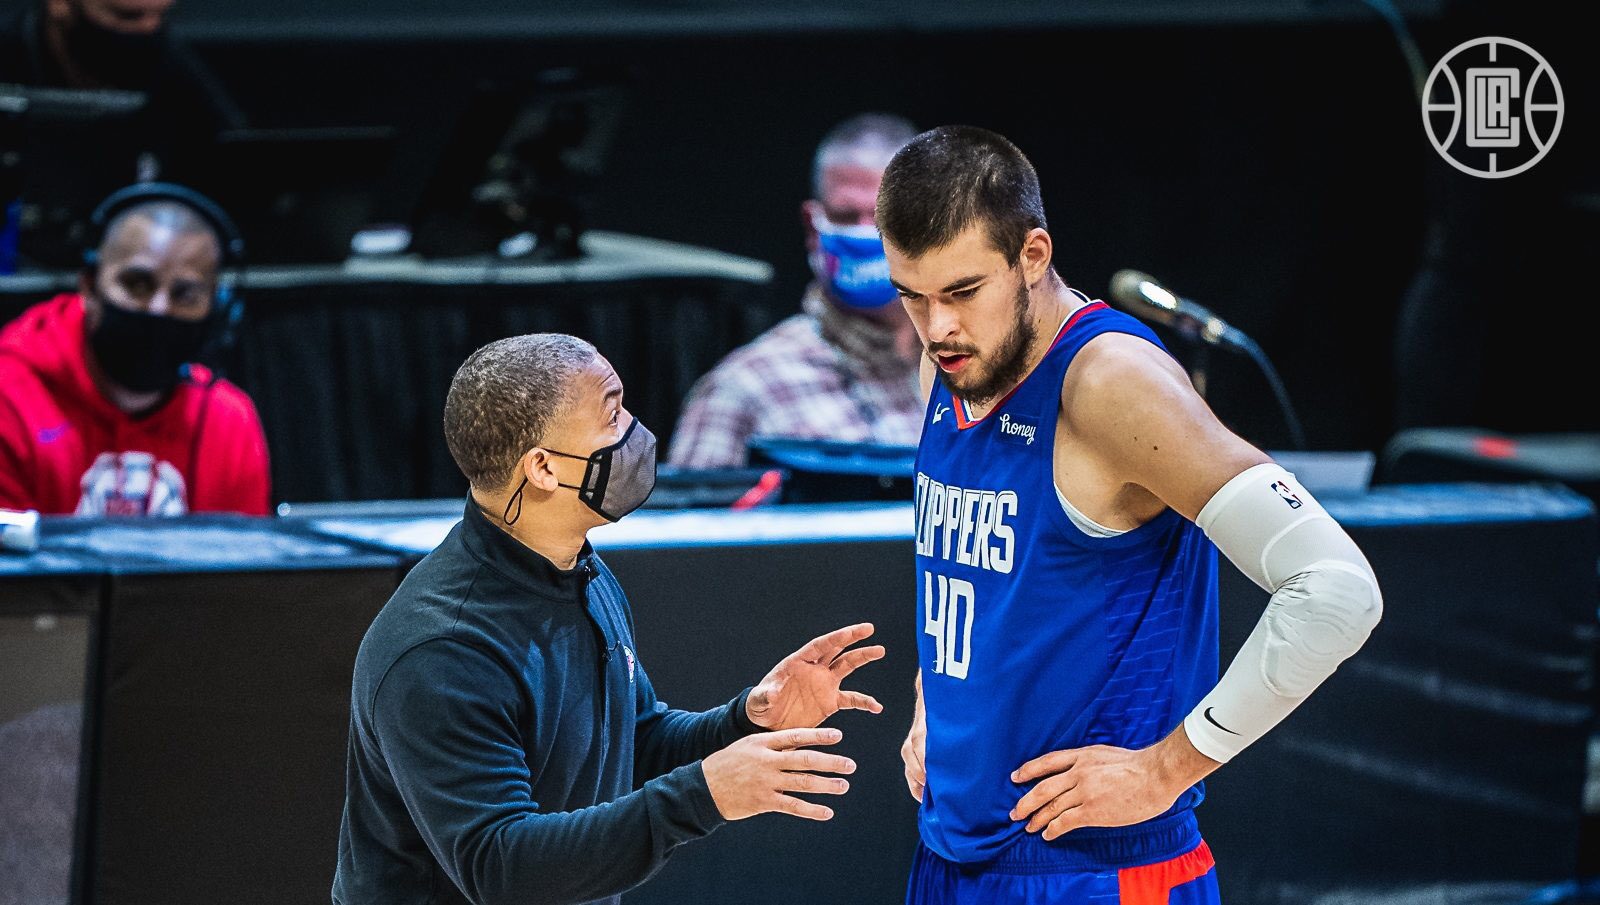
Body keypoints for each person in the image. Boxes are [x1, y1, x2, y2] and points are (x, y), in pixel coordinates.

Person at [881, 126, 1383, 904]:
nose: (937, 324)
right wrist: (933, 700)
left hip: (1097, 871)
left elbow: (1338, 589)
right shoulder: (951, 363)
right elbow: (983, 585)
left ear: (1033, 256)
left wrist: (1167, 766)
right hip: (950, 854)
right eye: (912, 295)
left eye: (962, 291)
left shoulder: (1112, 384)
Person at [334, 333, 886, 905]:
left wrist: (744, 720)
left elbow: (634, 742)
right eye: (612, 412)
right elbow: (500, 867)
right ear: (543, 468)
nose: (635, 431)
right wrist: (703, 795)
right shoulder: (443, 649)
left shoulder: (580, 571)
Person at [668, 113, 924, 468]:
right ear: (812, 226)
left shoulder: (976, 373)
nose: (868, 234)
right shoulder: (743, 391)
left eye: (888, 219)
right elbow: (690, 524)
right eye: (846, 217)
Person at [0, 185, 269, 515]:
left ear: (217, 308)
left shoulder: (228, 422)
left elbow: (247, 562)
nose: (158, 308)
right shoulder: (9, 400)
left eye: (185, 294)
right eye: (137, 284)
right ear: (89, 286)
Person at [0, 0, 242, 267]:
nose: (149, 28)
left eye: (161, 16)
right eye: (128, 16)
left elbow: (233, 160)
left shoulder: (165, 55)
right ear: (60, 5)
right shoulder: (11, 51)